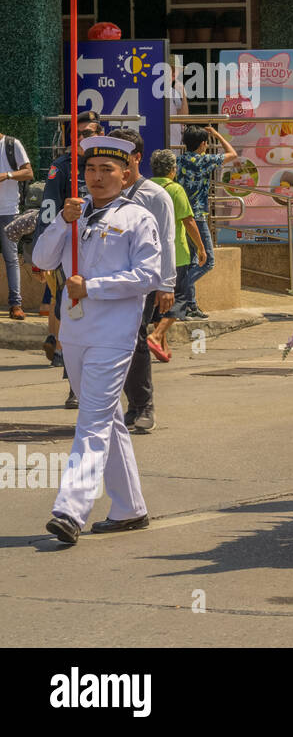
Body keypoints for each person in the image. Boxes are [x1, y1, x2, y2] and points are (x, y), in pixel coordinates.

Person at [34, 135, 162, 545]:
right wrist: (62, 221)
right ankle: (130, 508)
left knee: (91, 419)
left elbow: (148, 276)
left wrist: (93, 286)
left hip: (113, 333)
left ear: (125, 175)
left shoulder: (138, 218)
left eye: (108, 170)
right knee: (105, 419)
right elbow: (40, 260)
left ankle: (71, 508)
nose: (97, 176)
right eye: (91, 169)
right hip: (74, 332)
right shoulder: (75, 214)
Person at [33, 111, 103, 408]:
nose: (84, 138)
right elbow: (48, 210)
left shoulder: (108, 164)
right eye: (80, 134)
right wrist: (41, 256)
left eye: (90, 133)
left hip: (106, 249)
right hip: (72, 254)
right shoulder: (63, 168)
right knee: (73, 317)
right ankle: (76, 386)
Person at [112, 128, 176, 434]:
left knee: (134, 339)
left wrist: (167, 284)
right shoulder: (100, 194)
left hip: (142, 281)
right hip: (107, 280)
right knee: (114, 342)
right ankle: (129, 404)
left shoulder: (155, 195)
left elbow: (167, 239)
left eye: (122, 158)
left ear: (137, 158)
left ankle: (143, 405)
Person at [147, 149, 205, 361]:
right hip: (176, 254)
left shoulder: (145, 188)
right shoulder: (175, 189)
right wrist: (201, 247)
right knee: (180, 299)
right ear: (173, 170)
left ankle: (162, 346)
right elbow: (188, 220)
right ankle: (156, 335)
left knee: (157, 301)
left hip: (150, 254)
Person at [177, 125, 237, 319]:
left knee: (192, 260)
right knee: (208, 261)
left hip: (181, 216)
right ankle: (179, 292)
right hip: (197, 216)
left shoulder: (177, 160)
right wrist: (217, 134)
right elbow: (232, 153)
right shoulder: (204, 161)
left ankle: (190, 305)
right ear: (203, 144)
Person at [0, 129, 34, 318]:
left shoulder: (12, 144)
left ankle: (15, 304)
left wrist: (7, 175)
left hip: (8, 211)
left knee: (11, 258)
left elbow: (29, 172)